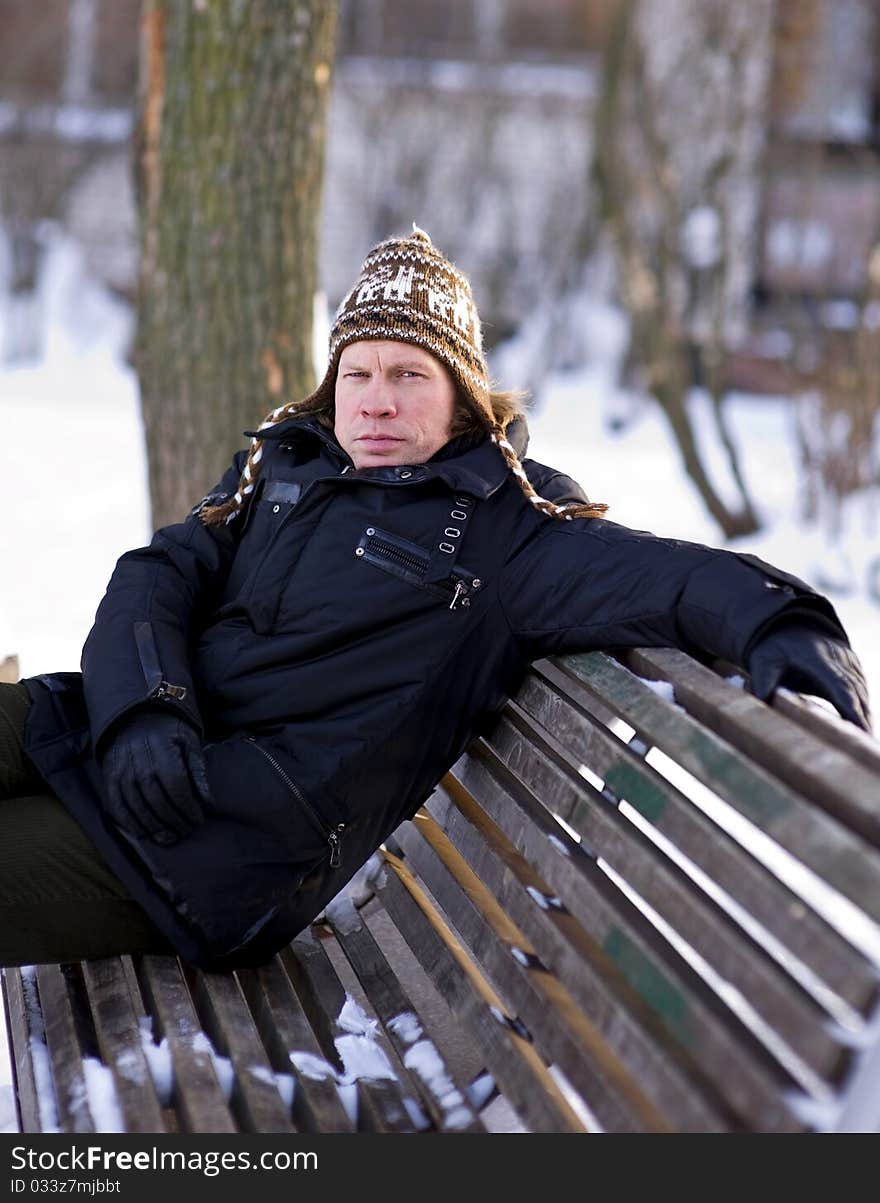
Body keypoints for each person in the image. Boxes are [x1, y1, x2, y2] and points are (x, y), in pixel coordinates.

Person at [0, 226, 872, 970]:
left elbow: (667, 575)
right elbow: (156, 574)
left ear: (461, 396)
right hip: (107, 731)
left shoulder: (508, 535)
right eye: (359, 374)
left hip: (201, 849)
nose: (377, 402)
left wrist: (784, 619)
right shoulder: (286, 465)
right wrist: (146, 708)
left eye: (409, 375)